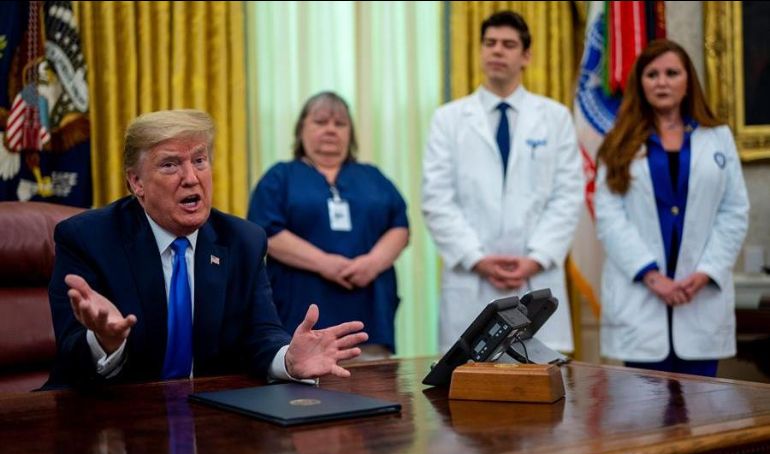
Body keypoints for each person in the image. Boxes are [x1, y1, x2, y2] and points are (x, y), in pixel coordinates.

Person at [45, 109, 368, 389]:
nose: (191, 177)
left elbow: (261, 334)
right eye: (170, 165)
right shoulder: (87, 238)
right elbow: (71, 355)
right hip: (107, 415)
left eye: (199, 160)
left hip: (206, 417)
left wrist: (288, 360)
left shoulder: (243, 240)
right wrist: (105, 341)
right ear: (136, 183)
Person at [421, 11, 583, 352]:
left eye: (508, 44)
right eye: (490, 43)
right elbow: (437, 199)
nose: (497, 51)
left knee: (538, 384)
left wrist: (536, 258)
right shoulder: (448, 119)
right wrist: (476, 258)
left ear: (526, 56)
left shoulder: (554, 118)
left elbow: (567, 196)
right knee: (466, 386)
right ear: (480, 51)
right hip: (471, 280)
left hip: (535, 278)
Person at [595, 39, 750, 377]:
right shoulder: (618, 142)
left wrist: (705, 272)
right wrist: (652, 276)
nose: (662, 82)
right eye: (652, 74)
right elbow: (609, 218)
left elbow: (734, 210)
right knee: (643, 416)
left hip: (700, 294)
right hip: (642, 298)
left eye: (671, 73)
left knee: (701, 415)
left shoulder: (718, 137)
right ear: (640, 83)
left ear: (687, 82)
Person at [248, 92, 409, 359]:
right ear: (302, 130)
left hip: (369, 320)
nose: (331, 130)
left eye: (340, 124)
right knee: (303, 400)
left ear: (351, 133)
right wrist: (324, 263)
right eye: (320, 122)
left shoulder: (373, 176)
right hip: (299, 320)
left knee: (374, 394)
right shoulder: (281, 177)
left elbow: (400, 226)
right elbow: (266, 232)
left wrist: (373, 262)